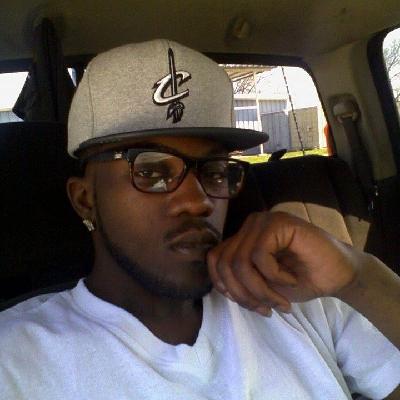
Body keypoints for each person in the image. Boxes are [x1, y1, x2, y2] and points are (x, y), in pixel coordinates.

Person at [0, 39, 399, 400]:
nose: (198, 201)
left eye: (215, 171)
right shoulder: (18, 358)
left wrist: (358, 276)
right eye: (151, 171)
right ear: (85, 200)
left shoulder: (300, 298)